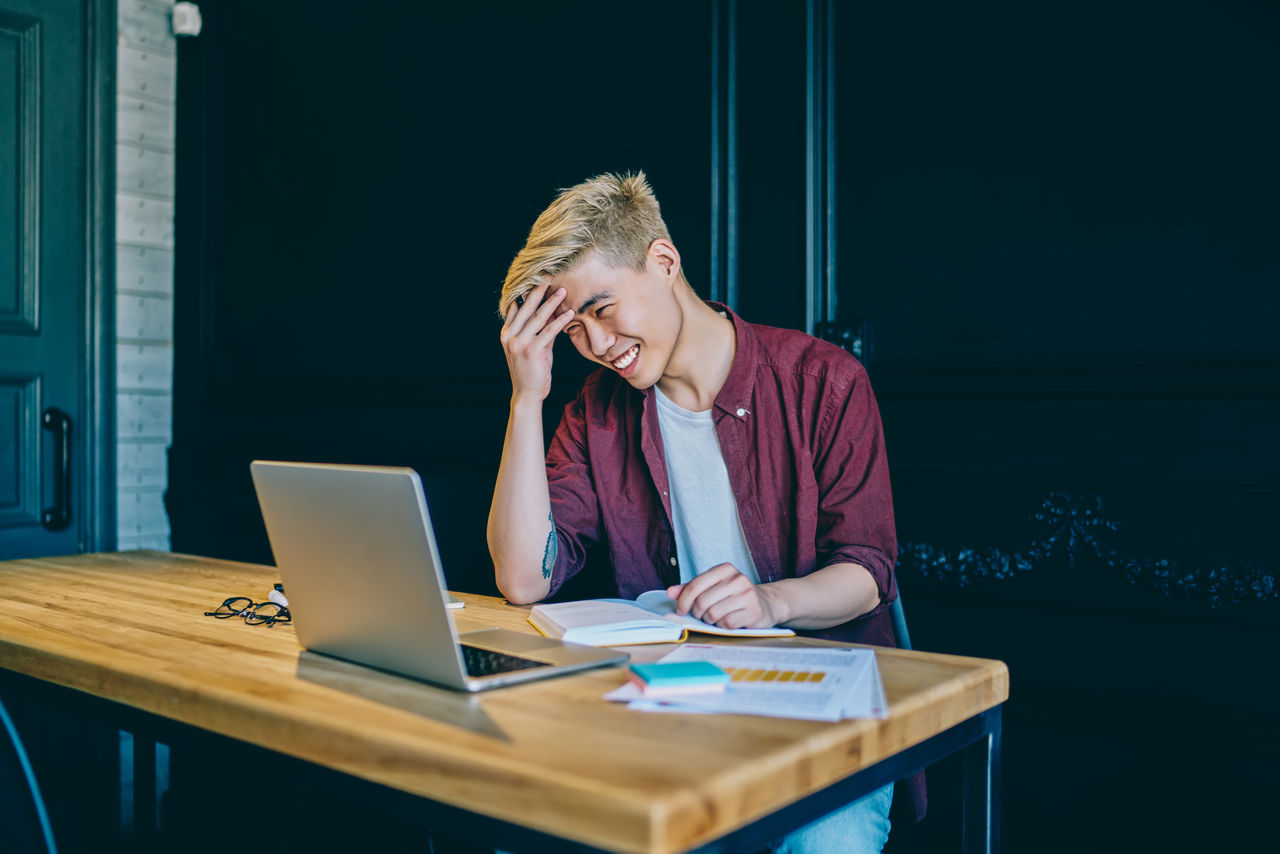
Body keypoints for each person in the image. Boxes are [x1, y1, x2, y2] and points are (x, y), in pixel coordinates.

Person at [488, 172, 910, 853]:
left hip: (824, 724)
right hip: (666, 714)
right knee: (528, 825)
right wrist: (525, 399)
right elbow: (523, 578)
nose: (595, 345)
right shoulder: (593, 412)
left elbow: (867, 570)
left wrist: (771, 603)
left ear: (663, 262)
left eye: (601, 308)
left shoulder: (823, 381)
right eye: (572, 329)